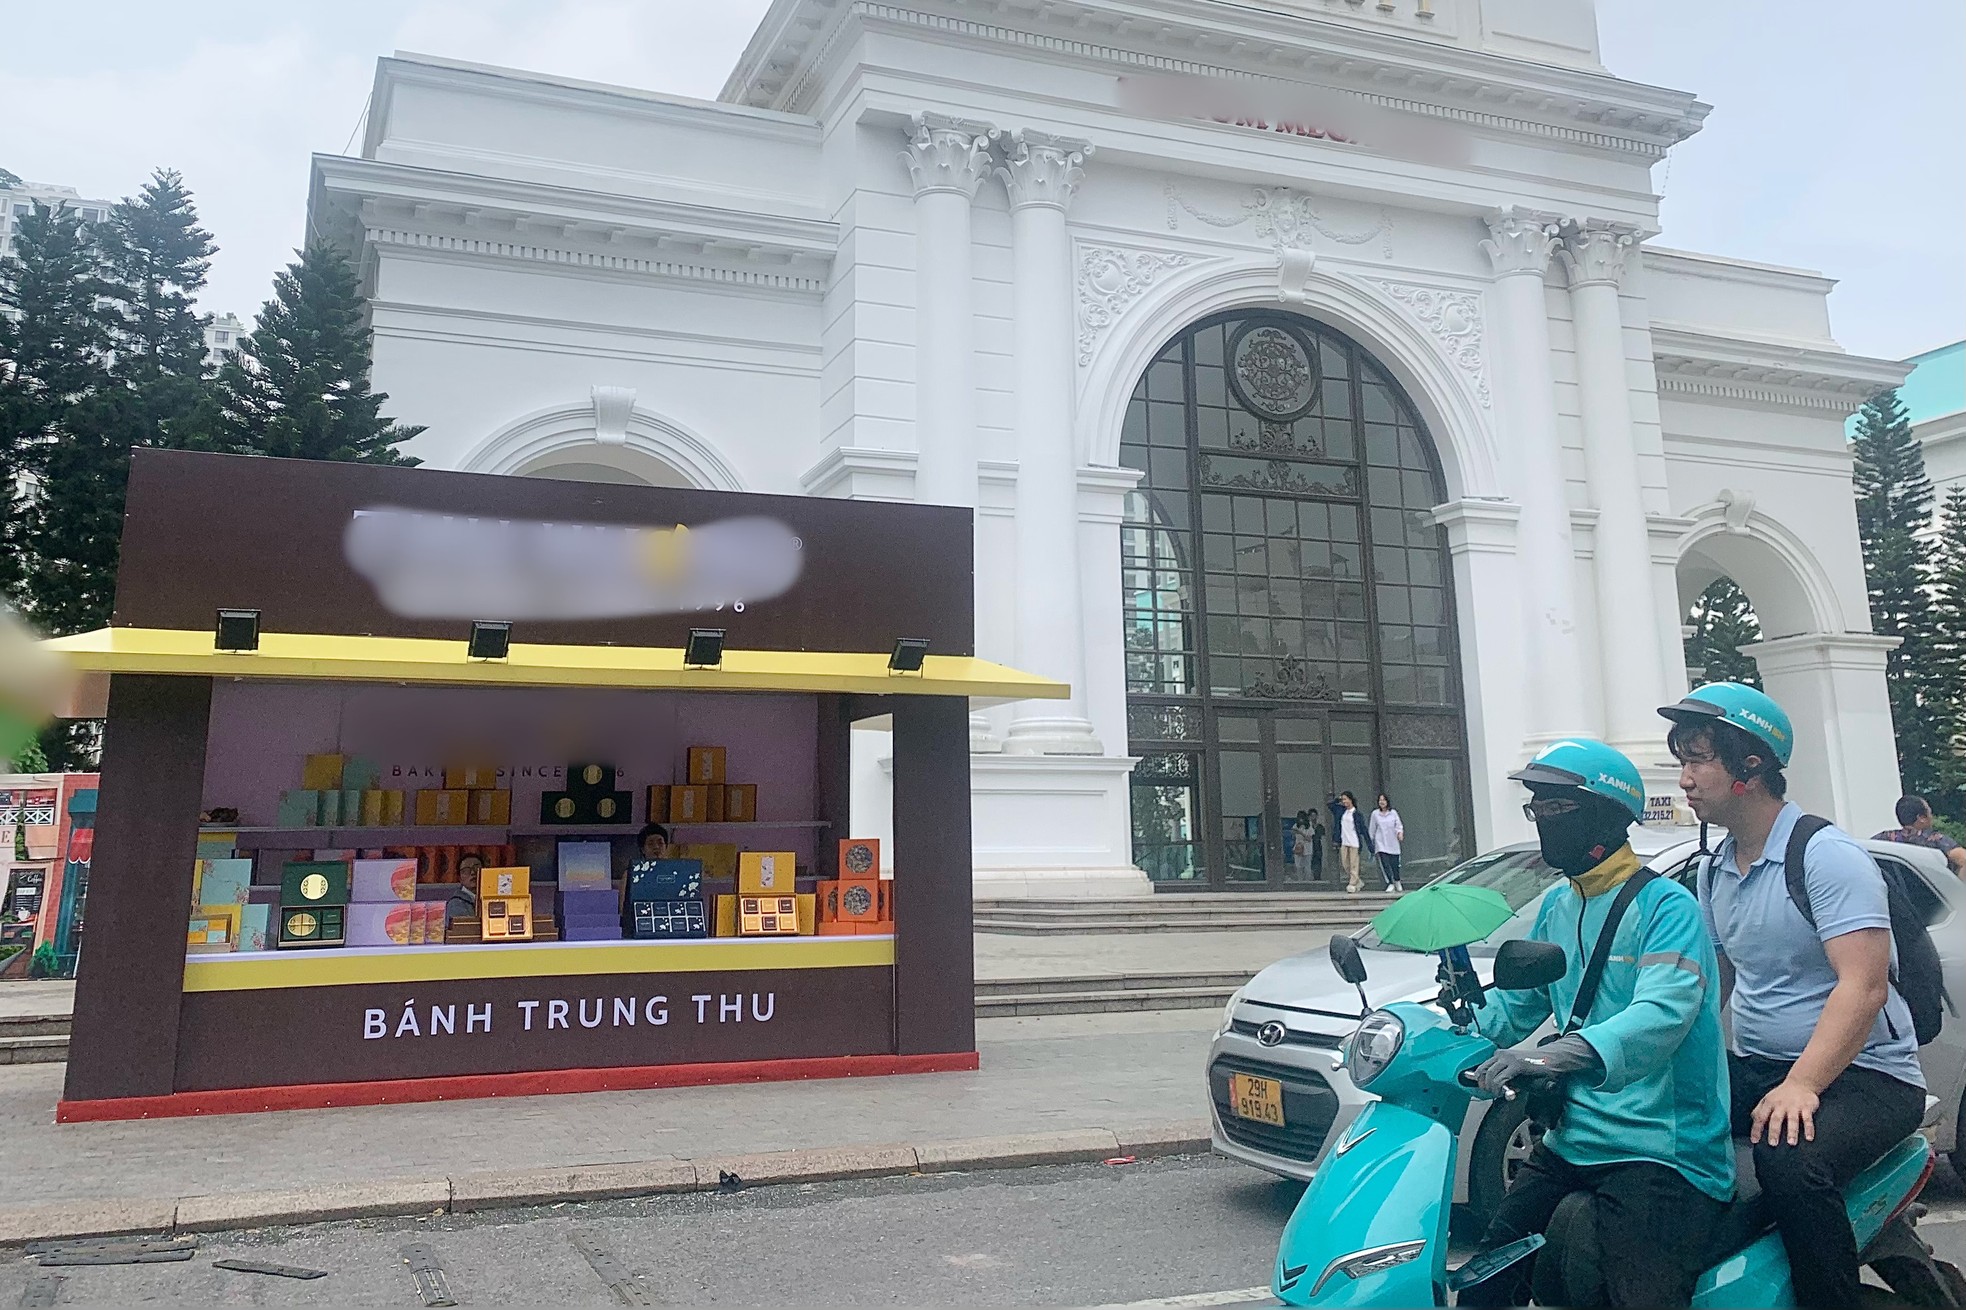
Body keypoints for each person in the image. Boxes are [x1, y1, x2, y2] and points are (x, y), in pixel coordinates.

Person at [1661, 682, 1926, 1310]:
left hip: (1867, 1077)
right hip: (1764, 1068)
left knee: (1788, 1159)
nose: (1685, 779)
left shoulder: (1826, 857)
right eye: (1683, 761)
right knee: (1647, 1123)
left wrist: (1803, 1084)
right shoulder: (1713, 866)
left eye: (1698, 759)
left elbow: (1862, 987)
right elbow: (1714, 982)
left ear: (1750, 766)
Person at [1460, 738, 1732, 1308]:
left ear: (1607, 814)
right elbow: (1518, 1006)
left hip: (1659, 1150)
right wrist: (1434, 1033)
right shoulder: (1561, 905)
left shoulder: (1666, 908)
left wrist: (1549, 1057)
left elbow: (1661, 1016)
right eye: (1538, 809)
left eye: (1558, 809)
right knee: (1486, 1279)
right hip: (1574, 1138)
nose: (1544, 823)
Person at [1875, 794, 1966, 876]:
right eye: (1929, 812)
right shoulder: (1935, 840)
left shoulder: (1883, 839)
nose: (1931, 816)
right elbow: (1963, 859)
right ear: (1921, 818)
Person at [1368, 792, 1405, 892]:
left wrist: (1400, 833)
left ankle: (1397, 880)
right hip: (1381, 843)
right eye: (1380, 800)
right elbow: (1372, 828)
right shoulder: (1375, 814)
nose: (1382, 802)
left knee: (1395, 864)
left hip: (1392, 842)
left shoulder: (1393, 813)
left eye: (1383, 800)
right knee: (1385, 864)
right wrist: (1370, 841)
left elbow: (1398, 825)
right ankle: (1390, 882)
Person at [1334, 792, 1364, 894]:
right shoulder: (1341, 812)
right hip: (1344, 841)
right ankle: (1358, 881)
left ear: (1351, 799)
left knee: (1354, 864)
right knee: (1345, 864)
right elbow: (1330, 805)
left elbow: (1363, 829)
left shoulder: (1357, 814)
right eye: (1342, 800)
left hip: (1354, 842)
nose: (1344, 801)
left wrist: (1369, 844)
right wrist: (1337, 800)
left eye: (1346, 799)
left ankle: (1352, 884)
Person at [444, 852, 484, 926]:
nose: (472, 873)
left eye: (477, 868)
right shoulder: (455, 904)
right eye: (466, 870)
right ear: (459, 878)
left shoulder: (491, 898)